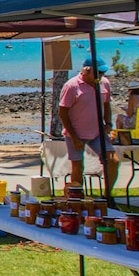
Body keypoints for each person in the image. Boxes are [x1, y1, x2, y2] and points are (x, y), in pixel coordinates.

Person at [60, 58, 116, 206]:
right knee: (78, 167)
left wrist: (108, 123)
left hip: (97, 132)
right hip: (76, 132)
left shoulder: (104, 84)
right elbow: (63, 113)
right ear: (86, 70)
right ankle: (76, 200)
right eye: (98, 72)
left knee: (112, 160)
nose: (101, 75)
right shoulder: (72, 86)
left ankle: (107, 197)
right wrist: (74, 137)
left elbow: (107, 105)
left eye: (103, 72)